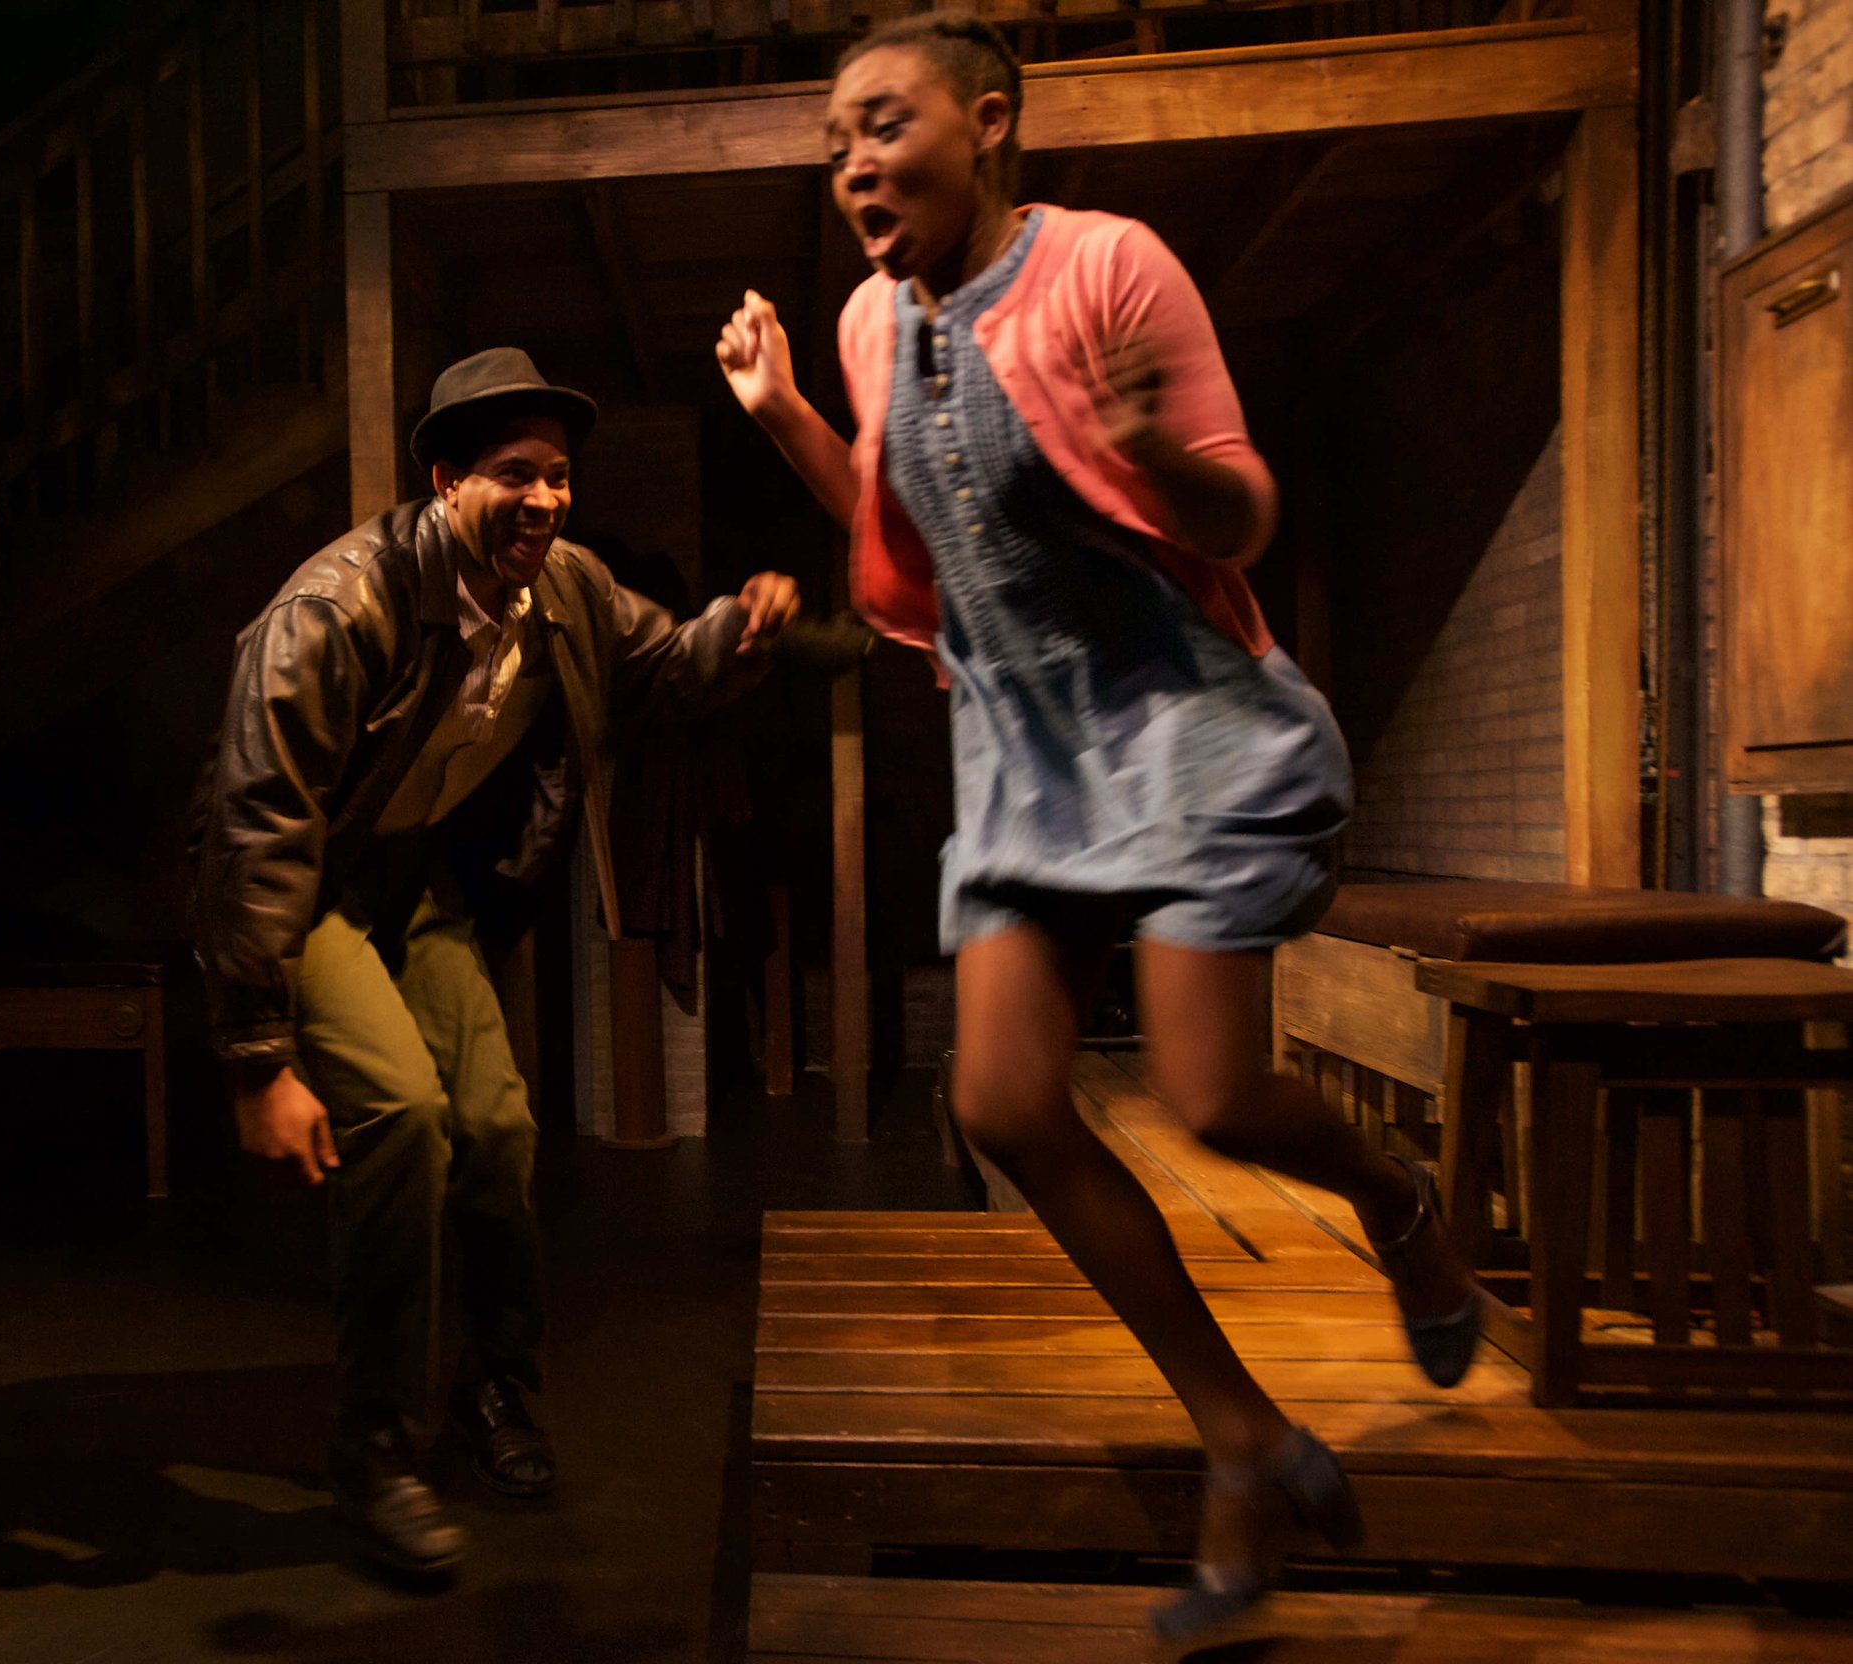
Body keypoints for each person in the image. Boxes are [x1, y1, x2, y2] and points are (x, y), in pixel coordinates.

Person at [713, 18, 1483, 1636]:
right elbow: (894, 522)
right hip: (1022, 750)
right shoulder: (864, 319)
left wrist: (1149, 455)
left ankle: (1399, 1198)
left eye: (887, 122)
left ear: (989, 124)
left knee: (1210, 1094)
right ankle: (1244, 1431)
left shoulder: (1114, 265)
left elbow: (1242, 507)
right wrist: (784, 408)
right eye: (835, 135)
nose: (854, 157)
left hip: (1179, 718)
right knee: (1000, 1096)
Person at [193, 347, 799, 1574]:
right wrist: (258, 1057)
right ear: (442, 480)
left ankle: (493, 1389)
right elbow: (257, 826)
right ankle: (371, 1448)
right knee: (404, 1119)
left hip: (415, 882)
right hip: (307, 887)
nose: (542, 500)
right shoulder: (338, 606)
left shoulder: (565, 588)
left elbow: (662, 663)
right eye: (512, 475)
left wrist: (737, 631)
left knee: (499, 1125)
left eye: (559, 477)